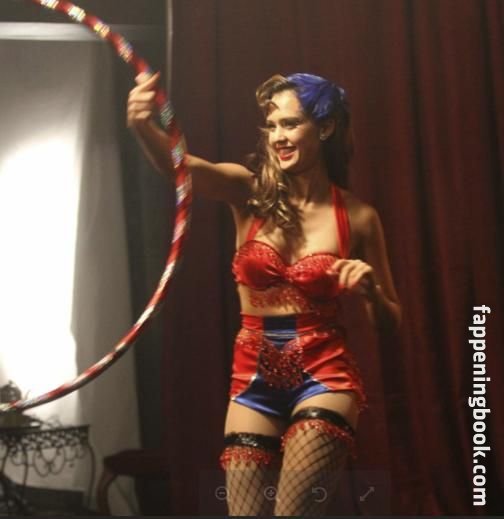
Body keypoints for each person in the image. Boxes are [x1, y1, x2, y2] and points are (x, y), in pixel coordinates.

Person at [127, 71, 401, 516]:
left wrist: (370, 293)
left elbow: (392, 321)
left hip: (324, 374)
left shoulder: (359, 217)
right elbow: (182, 168)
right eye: (271, 126)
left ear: (325, 127)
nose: (278, 137)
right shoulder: (247, 192)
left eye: (290, 124)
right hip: (252, 374)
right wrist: (143, 126)